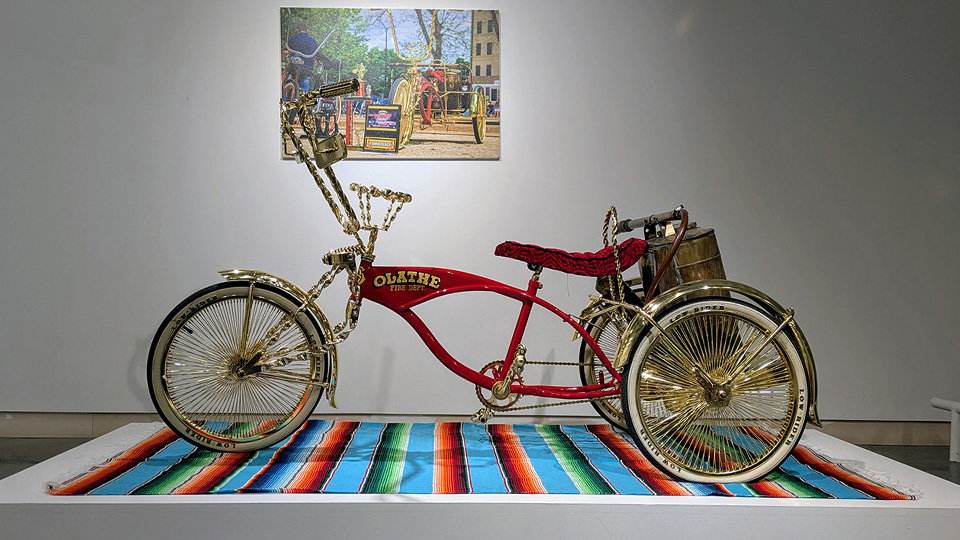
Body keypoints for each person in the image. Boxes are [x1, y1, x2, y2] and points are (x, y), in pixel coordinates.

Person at [288, 22, 318, 94]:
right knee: (304, 91)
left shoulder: (292, 39)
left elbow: (286, 52)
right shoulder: (313, 42)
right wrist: (311, 67)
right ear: (307, 30)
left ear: (297, 30)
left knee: (289, 87)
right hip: (307, 70)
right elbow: (315, 59)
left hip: (294, 68)